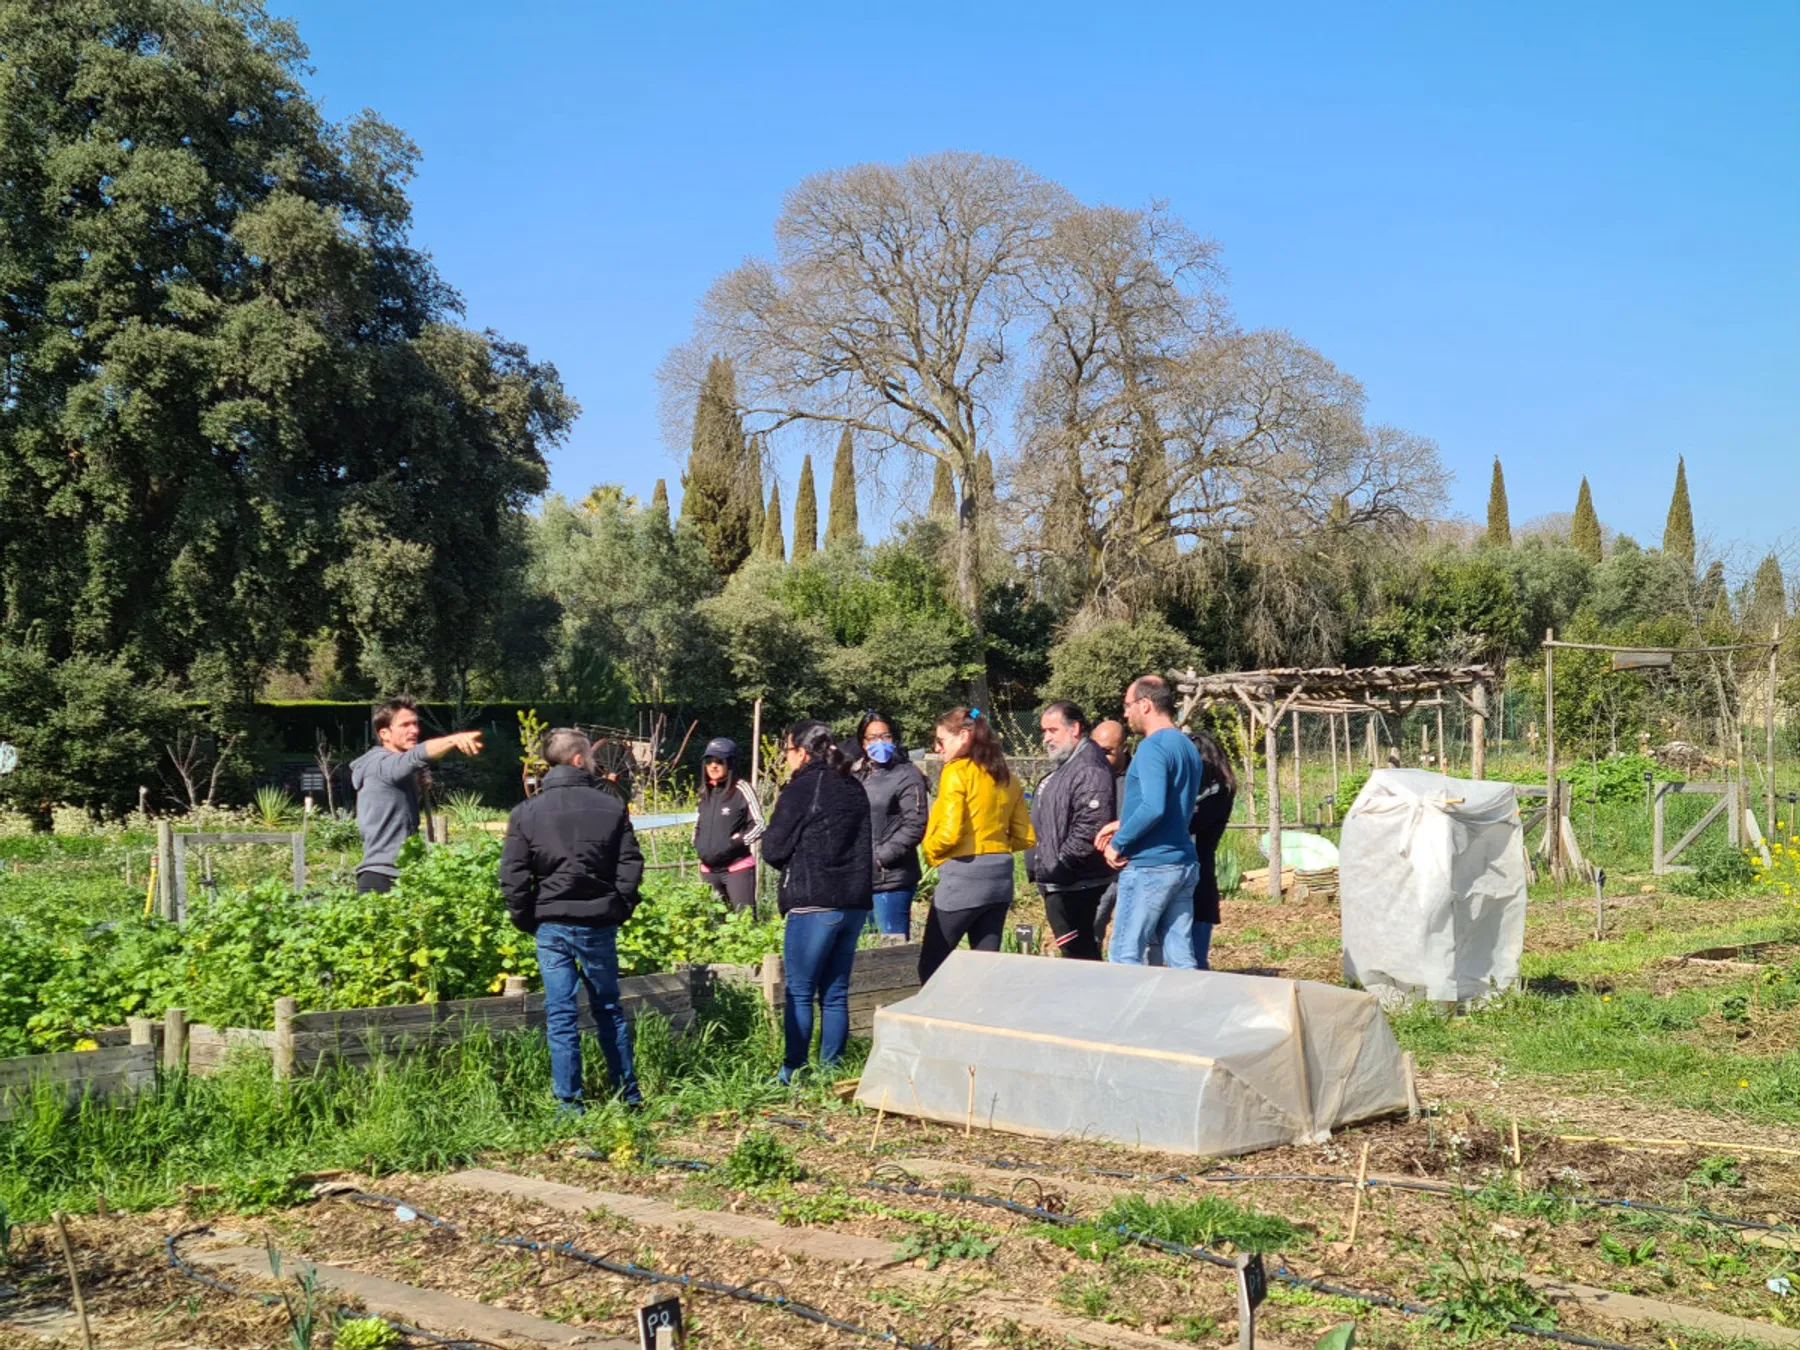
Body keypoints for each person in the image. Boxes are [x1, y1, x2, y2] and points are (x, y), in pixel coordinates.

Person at [500, 728, 643, 1111]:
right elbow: (630, 864)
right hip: (598, 920)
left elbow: (513, 874)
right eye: (591, 757)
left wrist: (527, 918)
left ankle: (569, 1104)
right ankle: (628, 1096)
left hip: (552, 923)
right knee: (608, 1010)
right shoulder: (611, 807)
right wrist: (620, 906)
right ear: (579, 759)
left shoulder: (526, 812)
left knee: (561, 1015)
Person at [758, 721, 873, 1084]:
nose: (786, 758)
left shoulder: (803, 788)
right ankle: (831, 1071)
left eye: (787, 751)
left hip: (814, 899)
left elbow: (773, 848)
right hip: (854, 901)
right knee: (835, 994)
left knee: (801, 990)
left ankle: (793, 1072)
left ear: (802, 753)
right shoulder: (853, 786)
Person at [919, 707, 1035, 983]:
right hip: (1000, 877)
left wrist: (930, 852)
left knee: (932, 966)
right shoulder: (1006, 776)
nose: (937, 748)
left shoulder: (956, 772)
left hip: (963, 876)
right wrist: (994, 845)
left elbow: (949, 833)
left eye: (941, 740)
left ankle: (940, 1012)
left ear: (963, 736)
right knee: (986, 968)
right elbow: (1025, 836)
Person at [1095, 675, 1203, 967]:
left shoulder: (1152, 747)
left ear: (1145, 705)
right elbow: (1173, 805)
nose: (1125, 713)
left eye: (1128, 705)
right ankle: (1191, 998)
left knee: (1124, 955)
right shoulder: (1185, 745)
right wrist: (1123, 822)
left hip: (1150, 866)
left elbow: (1154, 806)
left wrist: (1118, 843)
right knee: (1180, 957)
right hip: (1182, 862)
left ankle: (1129, 1002)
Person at [350, 697, 483, 894]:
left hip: (405, 872)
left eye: (415, 724)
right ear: (384, 733)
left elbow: (398, 810)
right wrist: (453, 740)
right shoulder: (378, 764)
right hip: (381, 878)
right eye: (405, 725)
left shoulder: (397, 769)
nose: (414, 730)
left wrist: (417, 788)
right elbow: (416, 756)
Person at [1025, 700, 1115, 960]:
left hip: (1077, 883)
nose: (1046, 738)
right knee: (1075, 953)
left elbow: (1090, 825)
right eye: (1044, 731)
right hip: (1062, 881)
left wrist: (1061, 864)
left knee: (1080, 955)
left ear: (1074, 728)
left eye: (1053, 730)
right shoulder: (1069, 764)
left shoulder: (1089, 768)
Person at [851, 711, 930, 938]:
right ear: (863, 742)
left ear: (894, 738)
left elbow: (915, 824)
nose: (879, 742)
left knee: (892, 947)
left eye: (885, 736)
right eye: (872, 738)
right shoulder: (858, 775)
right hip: (860, 879)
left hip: (891, 880)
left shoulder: (906, 774)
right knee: (863, 949)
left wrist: (880, 857)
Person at [692, 737, 764, 913]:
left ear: (730, 763)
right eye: (709, 761)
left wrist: (736, 842)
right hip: (709, 870)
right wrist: (697, 843)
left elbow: (759, 825)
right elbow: (698, 824)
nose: (713, 766)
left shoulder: (742, 789)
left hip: (736, 869)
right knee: (712, 924)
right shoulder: (705, 793)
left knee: (744, 921)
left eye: (719, 761)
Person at [1187, 728, 1239, 971]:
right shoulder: (1216, 788)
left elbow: (1194, 824)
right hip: (1198, 870)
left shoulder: (1217, 790)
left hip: (1199, 871)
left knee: (1195, 960)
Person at [1089, 717, 1132, 945]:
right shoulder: (1088, 774)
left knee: (1130, 936)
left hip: (1131, 865)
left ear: (1124, 747)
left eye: (1107, 751)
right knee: (1091, 927)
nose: (1100, 757)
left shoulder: (1139, 776)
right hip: (1097, 868)